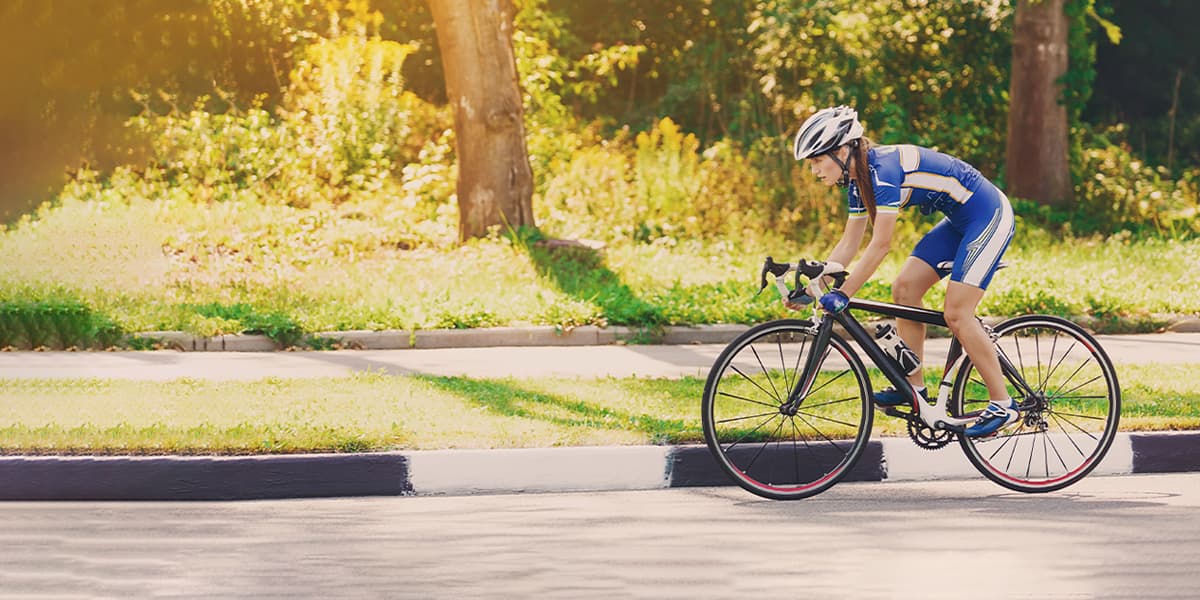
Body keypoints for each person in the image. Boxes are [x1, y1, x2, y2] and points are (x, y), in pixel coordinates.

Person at [788, 105, 1017, 438]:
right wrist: (815, 288)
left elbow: (881, 245)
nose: (814, 171)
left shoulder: (881, 172)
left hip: (988, 215)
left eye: (817, 161)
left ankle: (1003, 403)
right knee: (905, 290)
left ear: (841, 151)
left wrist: (844, 293)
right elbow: (849, 245)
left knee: (957, 313)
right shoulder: (858, 181)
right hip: (958, 221)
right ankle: (915, 390)